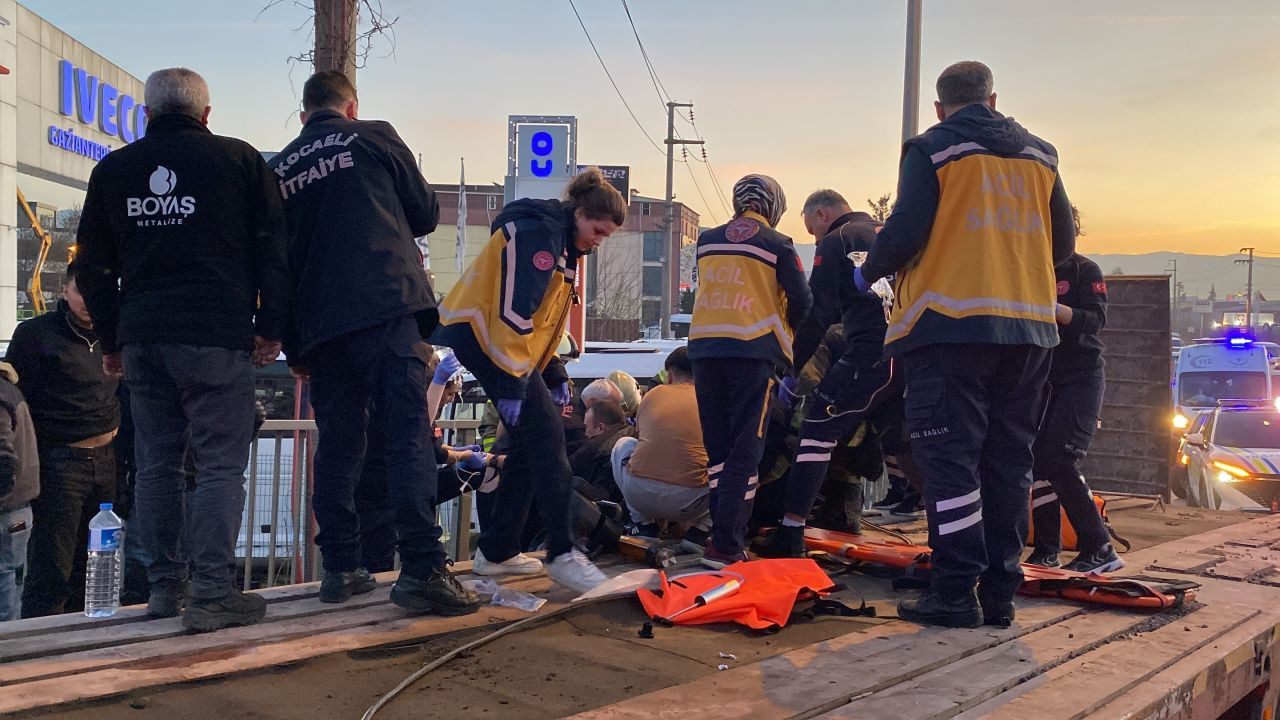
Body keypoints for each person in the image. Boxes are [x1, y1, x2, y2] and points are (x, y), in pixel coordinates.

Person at [856, 61, 1076, 628]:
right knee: (1008, 461)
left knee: (950, 461)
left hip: (949, 327)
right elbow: (1062, 245)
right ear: (994, 99)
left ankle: (954, 592)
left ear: (939, 107)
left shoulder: (931, 149)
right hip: (1028, 331)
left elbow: (904, 231)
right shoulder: (1041, 155)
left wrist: (869, 272)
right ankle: (1000, 592)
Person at [75, 67, 290, 631]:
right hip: (216, 336)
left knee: (156, 465)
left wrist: (113, 338)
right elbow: (274, 250)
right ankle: (214, 593)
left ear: (148, 115)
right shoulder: (239, 161)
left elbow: (92, 265)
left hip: (144, 340)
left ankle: (167, 589)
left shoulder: (114, 169)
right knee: (220, 466)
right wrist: (271, 326)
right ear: (206, 114)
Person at [269, 71, 477, 616]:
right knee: (406, 434)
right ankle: (423, 569)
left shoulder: (279, 168)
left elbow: (275, 263)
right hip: (385, 306)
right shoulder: (375, 136)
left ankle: (339, 568)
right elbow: (426, 214)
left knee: (338, 444)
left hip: (320, 327)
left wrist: (293, 343)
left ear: (303, 116)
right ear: (351, 107)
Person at [432, 167, 626, 593]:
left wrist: (552, 370)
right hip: (488, 342)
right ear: (579, 213)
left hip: (497, 346)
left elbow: (541, 322)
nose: (599, 240)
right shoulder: (539, 235)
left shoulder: (562, 246)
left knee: (523, 447)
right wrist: (514, 385)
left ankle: (498, 550)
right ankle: (561, 553)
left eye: (605, 235)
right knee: (550, 443)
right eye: (598, 230)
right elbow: (514, 312)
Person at [755, 189, 905, 558]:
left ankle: (791, 533)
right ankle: (958, 540)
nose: (814, 239)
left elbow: (816, 314)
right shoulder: (890, 232)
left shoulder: (836, 241)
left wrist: (790, 369)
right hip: (914, 349)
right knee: (913, 447)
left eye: (812, 231)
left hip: (871, 352)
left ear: (821, 214)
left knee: (815, 432)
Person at [688, 174, 812, 566]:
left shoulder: (707, 240)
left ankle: (717, 533)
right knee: (747, 449)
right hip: (752, 353)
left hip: (705, 350)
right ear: (773, 206)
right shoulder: (778, 244)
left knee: (719, 449)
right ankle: (726, 544)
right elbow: (803, 301)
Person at [6, 265, 119, 617]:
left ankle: (89, 639)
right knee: (53, 564)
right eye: (79, 290)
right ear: (64, 293)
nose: (87, 300)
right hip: (59, 461)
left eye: (95, 292)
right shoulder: (36, 334)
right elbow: (13, 395)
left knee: (100, 562)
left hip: (108, 457)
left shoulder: (116, 335)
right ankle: (41, 642)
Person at [1028, 252, 1123, 573]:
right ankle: (1046, 549)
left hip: (1081, 376)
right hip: (1043, 376)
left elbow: (1096, 319)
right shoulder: (1030, 265)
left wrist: (1053, 310)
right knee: (1038, 460)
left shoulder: (1084, 269)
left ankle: (1099, 546)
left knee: (1061, 458)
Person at [612, 347, 710, 542]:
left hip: (640, 494)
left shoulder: (652, 395)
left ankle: (642, 524)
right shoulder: (711, 399)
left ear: (670, 374)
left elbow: (643, 441)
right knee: (731, 465)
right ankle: (701, 532)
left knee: (624, 444)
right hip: (691, 501)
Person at [0, 361, 38, 622]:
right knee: (11, 583)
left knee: (5, 587)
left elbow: (4, 461)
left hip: (7, 509)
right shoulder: (7, 388)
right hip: (17, 508)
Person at [570, 399, 633, 504]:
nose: (585, 434)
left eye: (586, 427)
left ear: (600, 428)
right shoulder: (633, 439)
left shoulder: (594, 452)